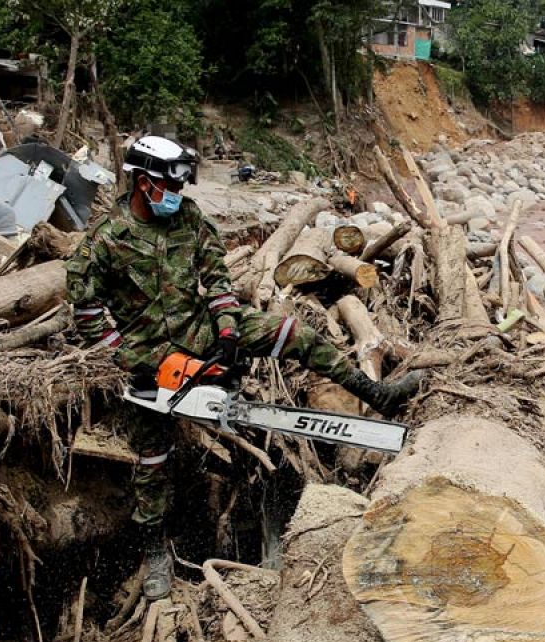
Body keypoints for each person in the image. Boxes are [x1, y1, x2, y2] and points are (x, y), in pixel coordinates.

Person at [67, 136, 420, 601]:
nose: (173, 195)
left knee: (294, 334)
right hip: (151, 355)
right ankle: (155, 551)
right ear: (140, 181)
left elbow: (215, 277)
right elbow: (86, 311)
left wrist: (228, 327)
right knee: (152, 461)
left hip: (203, 330)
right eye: (164, 185)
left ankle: (378, 394)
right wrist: (134, 360)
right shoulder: (105, 239)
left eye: (178, 186)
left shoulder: (189, 218)